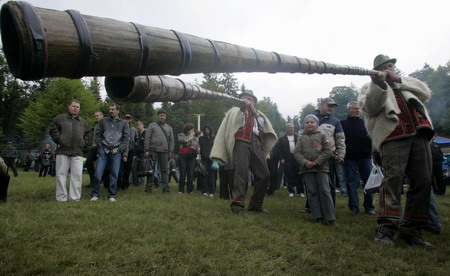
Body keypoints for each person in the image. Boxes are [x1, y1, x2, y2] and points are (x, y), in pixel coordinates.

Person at [358, 54, 435, 248]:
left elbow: (425, 93)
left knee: (423, 181)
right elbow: (370, 108)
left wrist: (398, 80)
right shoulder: (369, 88)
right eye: (385, 66)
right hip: (393, 137)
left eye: (391, 66)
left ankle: (412, 231)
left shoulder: (405, 83)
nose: (389, 69)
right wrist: (380, 85)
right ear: (377, 70)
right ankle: (385, 229)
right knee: (393, 181)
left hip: (419, 134)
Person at [211, 90, 277, 215]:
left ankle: (255, 204)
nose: (249, 101)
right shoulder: (235, 111)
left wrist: (254, 112)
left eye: (251, 99)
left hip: (256, 144)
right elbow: (232, 125)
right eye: (246, 98)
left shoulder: (259, 115)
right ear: (240, 99)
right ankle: (237, 205)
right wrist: (243, 109)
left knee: (265, 174)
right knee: (241, 173)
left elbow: (263, 128)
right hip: (240, 141)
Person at [294, 114, 336, 225]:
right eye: (307, 123)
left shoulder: (322, 136)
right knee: (312, 192)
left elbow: (328, 151)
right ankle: (318, 217)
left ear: (317, 125)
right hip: (306, 169)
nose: (309, 124)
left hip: (321, 168)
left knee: (325, 191)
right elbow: (297, 153)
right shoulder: (301, 138)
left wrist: (317, 162)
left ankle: (330, 218)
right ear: (304, 125)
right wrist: (305, 162)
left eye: (312, 122)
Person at [49, 99, 90, 202]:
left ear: (79, 109)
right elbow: (53, 129)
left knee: (77, 175)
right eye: (74, 106)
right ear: (69, 106)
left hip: (78, 152)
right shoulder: (60, 119)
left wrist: (83, 143)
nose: (75, 108)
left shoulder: (83, 122)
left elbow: (88, 134)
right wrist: (60, 139)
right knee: (61, 175)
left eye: (77, 107)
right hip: (63, 150)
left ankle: (75, 198)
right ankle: (61, 198)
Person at [340, 101, 375, 215]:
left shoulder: (365, 123)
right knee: (351, 182)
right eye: (355, 108)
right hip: (349, 157)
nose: (357, 110)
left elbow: (372, 138)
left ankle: (369, 206)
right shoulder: (342, 124)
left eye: (359, 109)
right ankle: (354, 207)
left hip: (365, 156)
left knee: (369, 182)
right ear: (349, 110)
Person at [90, 104, 129, 202]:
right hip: (103, 150)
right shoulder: (103, 121)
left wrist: (120, 149)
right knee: (98, 173)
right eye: (110, 109)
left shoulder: (124, 123)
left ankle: (112, 195)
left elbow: (126, 138)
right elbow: (97, 134)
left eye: (113, 109)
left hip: (116, 151)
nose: (111, 111)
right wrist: (99, 147)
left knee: (115, 174)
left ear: (118, 111)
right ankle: (95, 194)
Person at [144, 109, 174, 193]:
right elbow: (147, 138)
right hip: (153, 150)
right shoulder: (152, 125)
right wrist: (146, 149)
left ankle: (166, 188)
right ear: (157, 116)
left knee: (164, 170)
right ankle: (148, 188)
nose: (162, 117)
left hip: (164, 152)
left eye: (164, 115)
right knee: (151, 170)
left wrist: (170, 152)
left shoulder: (169, 128)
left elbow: (171, 141)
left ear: (166, 117)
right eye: (161, 115)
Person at [278, 123, 304, 197]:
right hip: (287, 158)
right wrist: (281, 158)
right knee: (289, 174)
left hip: (297, 157)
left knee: (298, 174)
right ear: (286, 129)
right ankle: (291, 191)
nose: (291, 129)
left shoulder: (298, 138)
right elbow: (279, 150)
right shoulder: (282, 139)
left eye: (292, 127)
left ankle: (300, 191)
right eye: (290, 128)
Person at [177, 123, 199, 194]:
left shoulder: (195, 138)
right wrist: (191, 136)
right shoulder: (181, 135)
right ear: (187, 129)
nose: (192, 130)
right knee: (183, 173)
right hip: (183, 155)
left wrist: (194, 148)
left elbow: (196, 146)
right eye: (191, 129)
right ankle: (181, 190)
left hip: (191, 156)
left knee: (191, 173)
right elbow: (184, 141)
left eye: (193, 129)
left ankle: (190, 190)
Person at [85, 111, 104, 188]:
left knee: (104, 166)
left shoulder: (104, 124)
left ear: (102, 116)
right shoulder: (97, 125)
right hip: (94, 146)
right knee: (88, 162)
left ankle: (100, 181)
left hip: (101, 147)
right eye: (95, 116)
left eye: (98, 115)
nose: (96, 117)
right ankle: (93, 181)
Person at [119, 114, 138, 190]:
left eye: (128, 119)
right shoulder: (120, 128)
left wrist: (135, 145)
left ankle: (125, 185)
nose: (127, 120)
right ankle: (118, 183)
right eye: (125, 119)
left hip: (131, 150)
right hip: (121, 150)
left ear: (130, 120)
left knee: (128, 168)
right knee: (120, 168)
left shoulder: (134, 129)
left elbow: (137, 139)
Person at [199, 125, 216, 197]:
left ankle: (212, 191)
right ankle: (204, 190)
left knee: (212, 175)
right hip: (204, 159)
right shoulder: (201, 138)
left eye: (208, 129)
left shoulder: (214, 138)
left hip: (212, 158)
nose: (206, 131)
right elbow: (201, 148)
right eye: (205, 129)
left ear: (210, 130)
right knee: (204, 174)